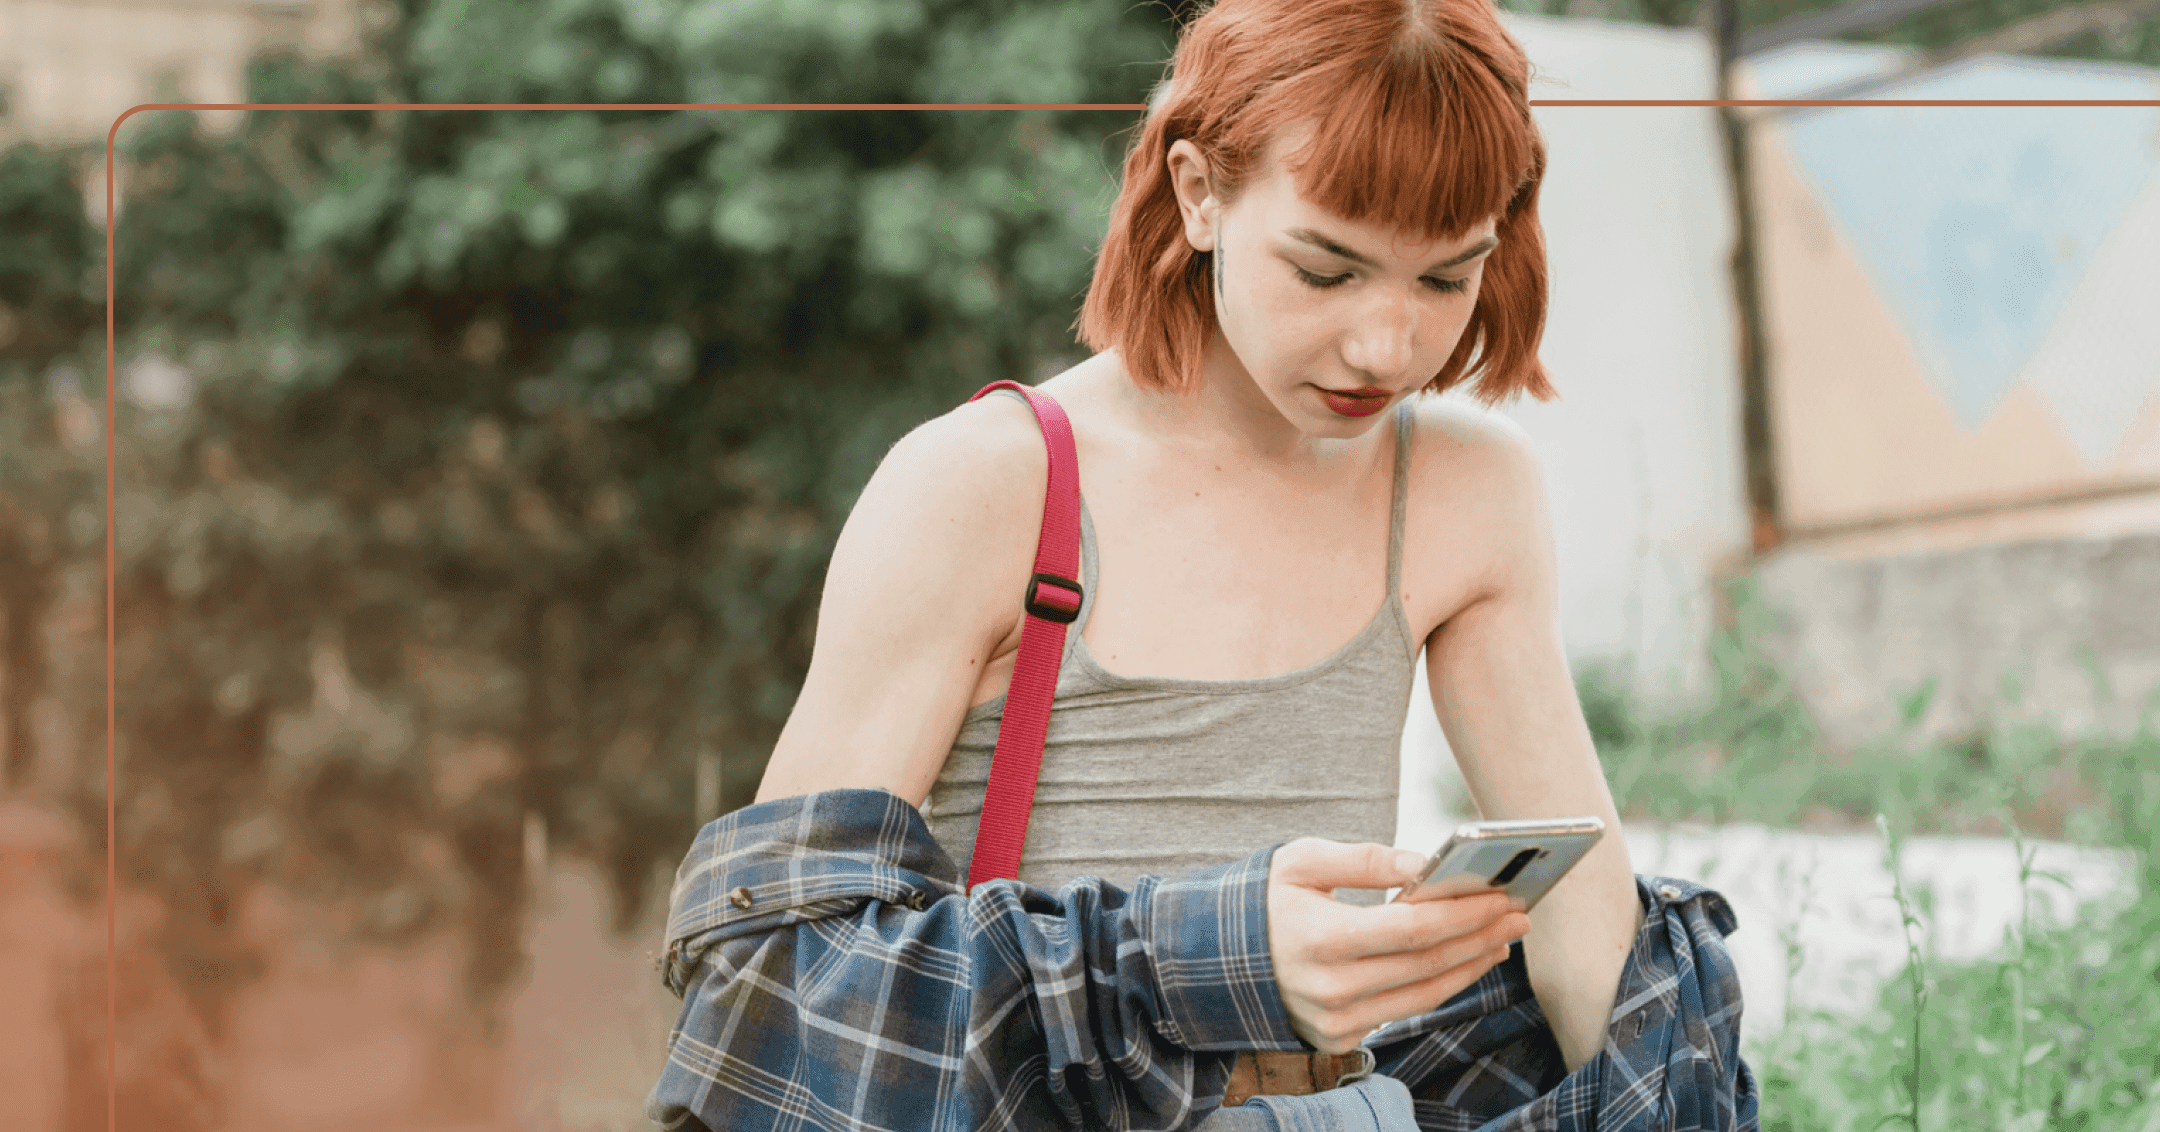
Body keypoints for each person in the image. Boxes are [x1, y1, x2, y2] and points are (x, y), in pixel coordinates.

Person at [647, 0, 1758, 1128]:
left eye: (1444, 279)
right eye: (1327, 270)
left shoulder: (1465, 490)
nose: (1387, 347)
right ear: (1200, 192)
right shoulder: (990, 484)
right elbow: (774, 966)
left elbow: (1589, 940)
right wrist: (1213, 955)